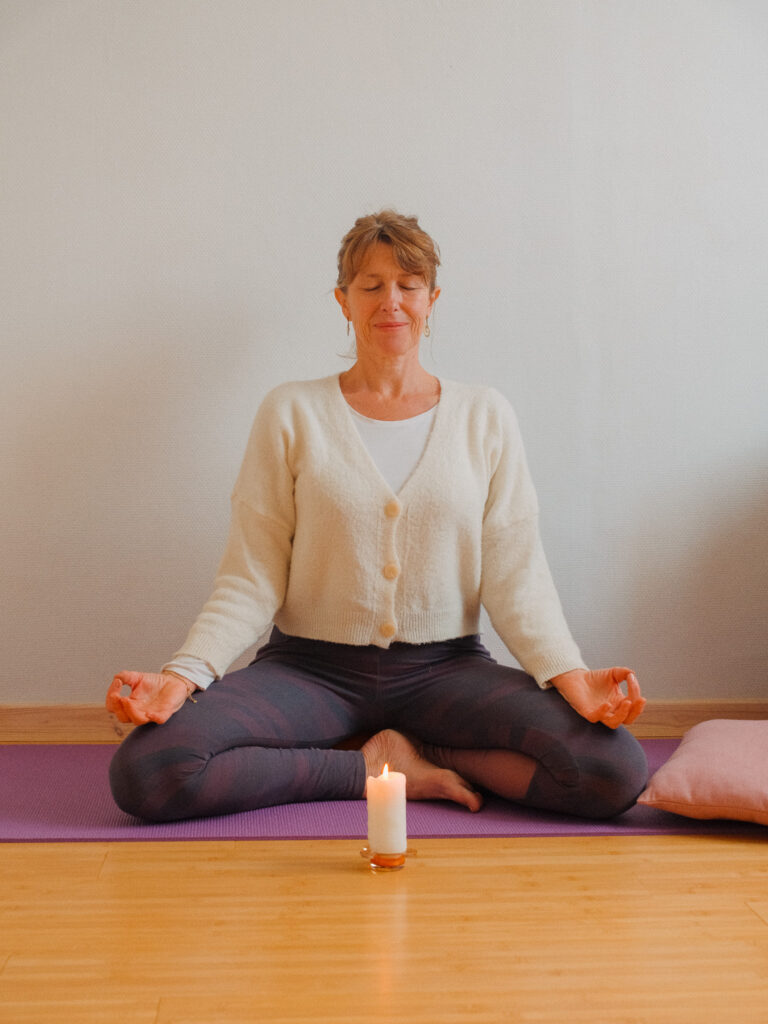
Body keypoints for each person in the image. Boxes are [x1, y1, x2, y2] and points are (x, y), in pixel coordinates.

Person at [107, 209, 648, 823]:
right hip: (310, 669)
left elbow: (515, 575)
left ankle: (432, 750)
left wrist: (573, 678)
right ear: (343, 300)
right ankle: (366, 768)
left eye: (408, 284)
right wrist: (181, 678)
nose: (391, 301)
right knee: (148, 771)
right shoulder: (290, 412)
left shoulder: (485, 416)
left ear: (432, 299)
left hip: (445, 672)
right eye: (370, 285)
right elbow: (250, 578)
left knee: (615, 771)